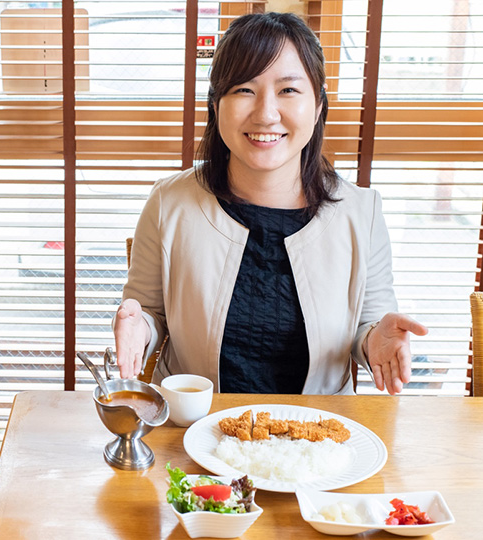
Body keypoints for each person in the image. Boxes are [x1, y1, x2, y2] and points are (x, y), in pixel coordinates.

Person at [113, 12, 428, 395]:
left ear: (317, 106)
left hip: (316, 441)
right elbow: (151, 313)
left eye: (288, 90)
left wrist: (375, 340)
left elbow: (369, 324)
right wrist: (137, 326)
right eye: (244, 89)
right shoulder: (169, 202)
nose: (265, 113)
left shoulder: (362, 212)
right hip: (194, 429)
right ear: (216, 105)